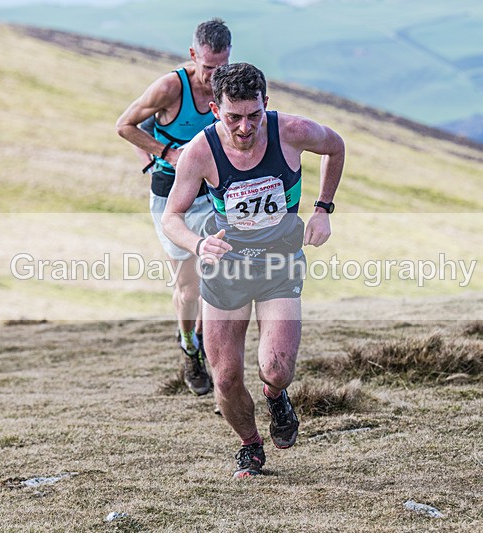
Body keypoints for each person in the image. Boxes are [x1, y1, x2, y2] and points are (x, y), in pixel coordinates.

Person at [162, 63, 345, 477]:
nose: (244, 128)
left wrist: (322, 210)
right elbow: (171, 217)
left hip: (279, 262)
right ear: (214, 109)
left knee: (277, 369)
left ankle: (275, 395)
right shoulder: (200, 152)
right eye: (233, 117)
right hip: (225, 269)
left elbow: (336, 146)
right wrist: (197, 243)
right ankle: (250, 445)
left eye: (253, 115)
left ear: (266, 103)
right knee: (224, 378)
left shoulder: (293, 131)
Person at [116, 19, 231, 396]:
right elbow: (125, 125)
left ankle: (208, 345)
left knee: (219, 275)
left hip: (211, 193)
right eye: (209, 67)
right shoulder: (170, 87)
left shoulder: (228, 84)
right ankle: (189, 347)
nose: (215, 76)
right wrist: (166, 154)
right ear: (193, 54)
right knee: (188, 286)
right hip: (171, 196)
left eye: (222, 66)